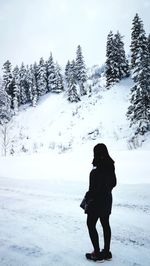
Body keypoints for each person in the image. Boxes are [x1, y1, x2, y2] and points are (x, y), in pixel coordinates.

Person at [84, 143, 117, 262]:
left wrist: (87, 197)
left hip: (96, 202)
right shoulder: (111, 166)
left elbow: (93, 190)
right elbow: (114, 183)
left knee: (90, 224)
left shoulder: (95, 171)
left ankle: (97, 254)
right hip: (107, 200)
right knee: (105, 223)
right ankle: (107, 252)